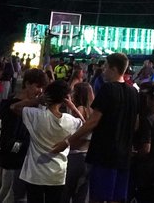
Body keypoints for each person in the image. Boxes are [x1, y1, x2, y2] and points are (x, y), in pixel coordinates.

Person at [52, 53, 138, 203]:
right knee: (117, 198)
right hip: (124, 156)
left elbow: (92, 122)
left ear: (114, 68)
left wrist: (67, 142)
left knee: (97, 197)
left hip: (104, 154)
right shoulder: (133, 92)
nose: (103, 71)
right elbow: (136, 123)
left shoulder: (108, 89)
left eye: (106, 67)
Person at [17, 80, 84, 203]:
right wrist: (73, 107)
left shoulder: (35, 115)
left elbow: (14, 107)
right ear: (65, 99)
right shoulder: (70, 121)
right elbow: (84, 125)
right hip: (57, 174)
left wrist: (37, 100)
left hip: (34, 173)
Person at [0, 68, 48, 203]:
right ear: (27, 84)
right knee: (10, 193)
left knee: (8, 191)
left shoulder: (35, 107)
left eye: (42, 87)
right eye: (37, 86)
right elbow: (9, 136)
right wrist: (19, 149)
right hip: (15, 157)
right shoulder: (10, 105)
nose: (40, 91)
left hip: (22, 156)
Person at [130, 84, 154, 203]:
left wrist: (135, 154)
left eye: (148, 97)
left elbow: (146, 148)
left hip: (146, 171)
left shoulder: (149, 120)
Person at [61, 81, 95, 203]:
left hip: (75, 155)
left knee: (65, 193)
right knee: (80, 195)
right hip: (87, 156)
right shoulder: (94, 111)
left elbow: (75, 131)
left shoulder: (80, 110)